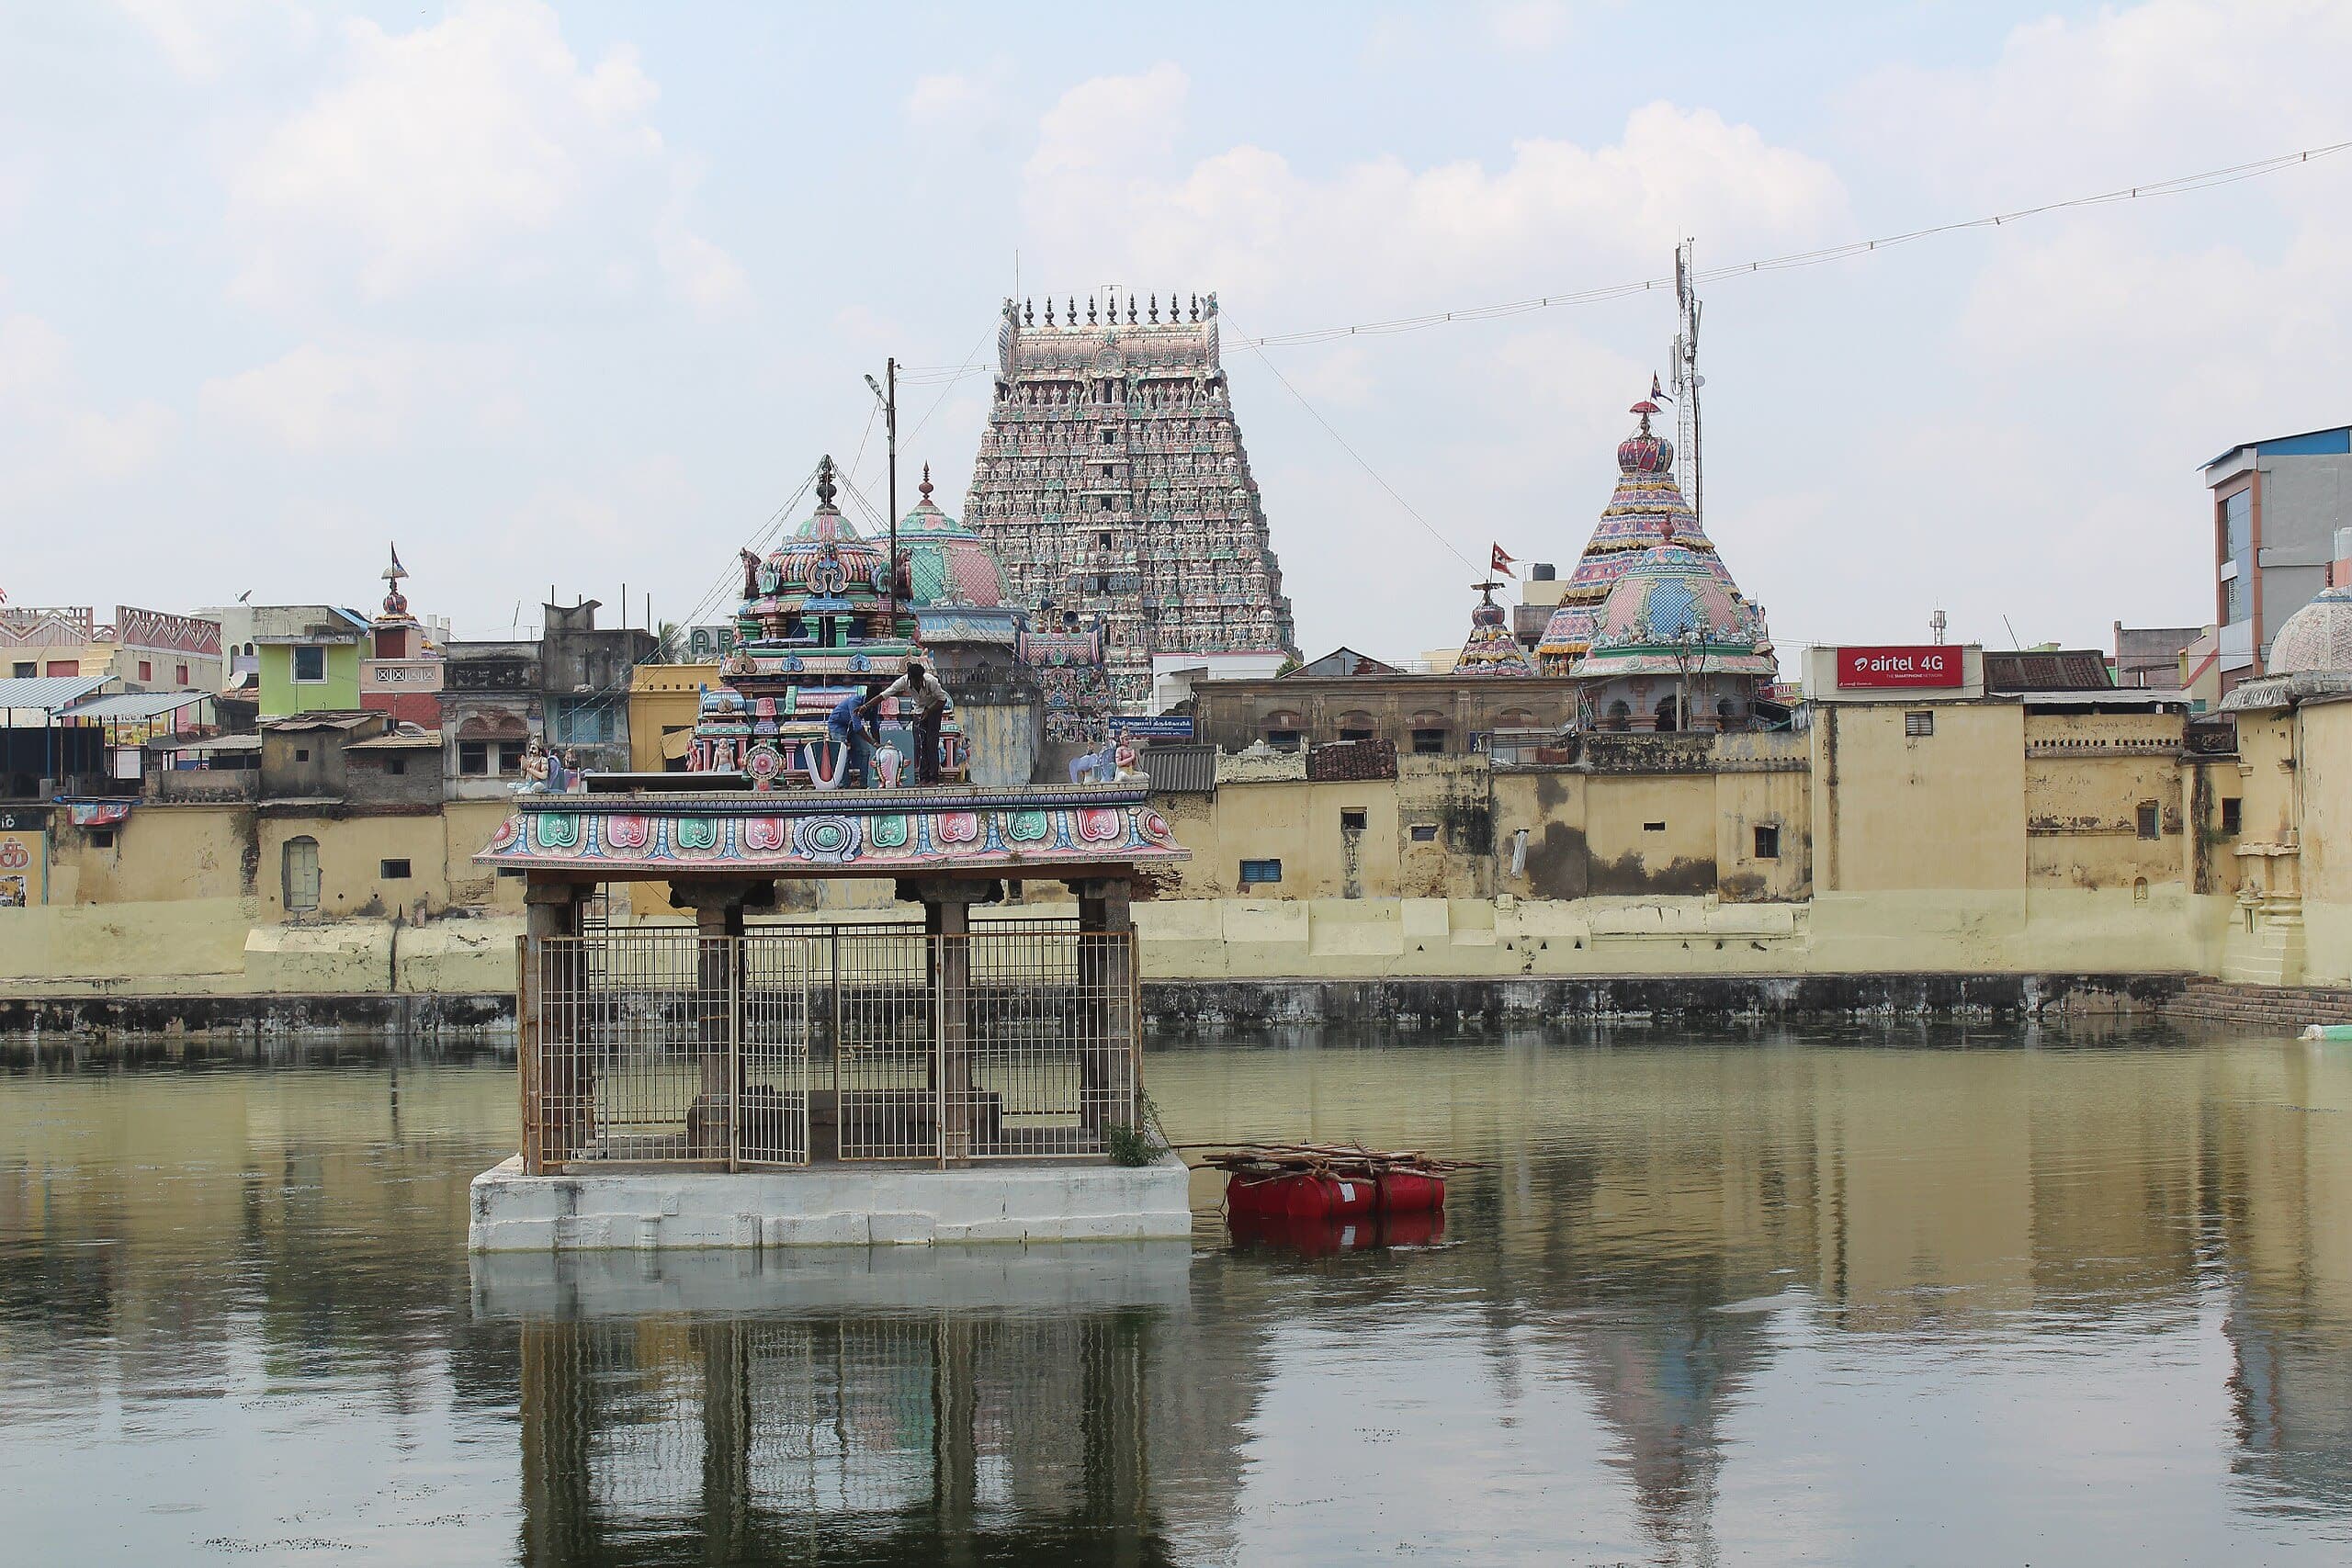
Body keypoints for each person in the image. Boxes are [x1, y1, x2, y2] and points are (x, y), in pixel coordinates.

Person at [863, 659, 949, 785]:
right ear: (910, 678)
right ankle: (923, 777)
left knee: (932, 742)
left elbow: (942, 700)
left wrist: (929, 712)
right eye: (916, 681)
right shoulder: (903, 682)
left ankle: (934, 778)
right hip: (918, 709)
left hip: (934, 708)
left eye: (920, 680)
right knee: (921, 743)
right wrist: (866, 706)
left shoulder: (931, 682)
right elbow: (884, 695)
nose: (918, 683)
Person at [826, 689, 878, 788]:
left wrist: (878, 745)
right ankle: (844, 784)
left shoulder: (874, 706)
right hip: (837, 724)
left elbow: (874, 726)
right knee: (842, 753)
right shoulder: (855, 702)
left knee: (865, 751)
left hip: (851, 726)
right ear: (868, 698)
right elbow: (858, 727)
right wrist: (873, 743)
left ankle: (864, 783)